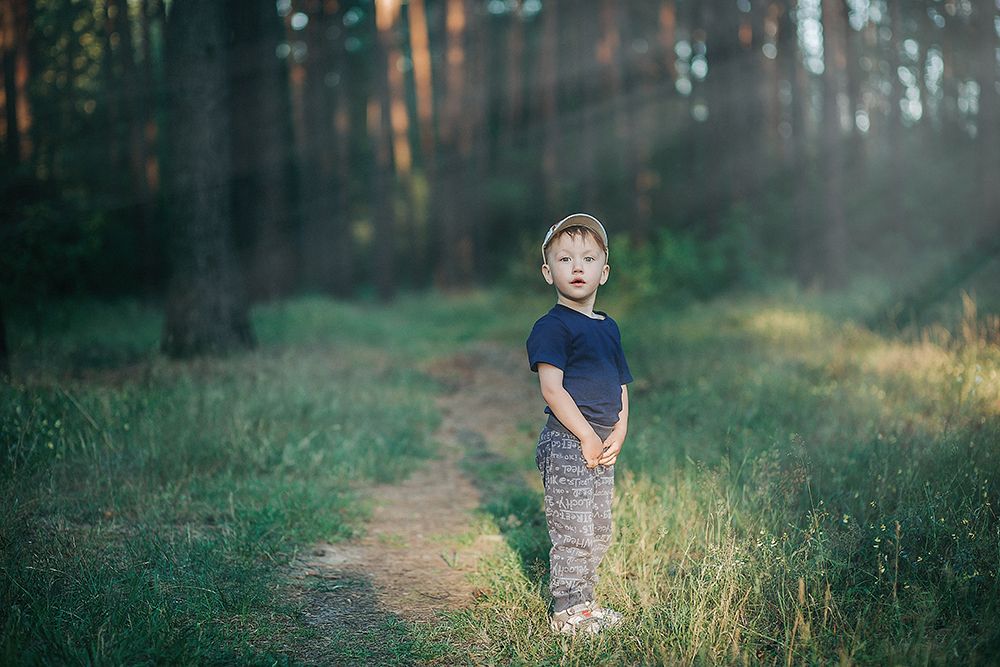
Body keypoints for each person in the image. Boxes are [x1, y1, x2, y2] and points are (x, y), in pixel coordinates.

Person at [526, 213, 633, 636]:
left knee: (598, 529)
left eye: (588, 258)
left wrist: (619, 429)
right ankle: (568, 611)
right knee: (572, 529)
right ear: (547, 271)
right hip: (569, 443)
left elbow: (620, 384)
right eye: (565, 258)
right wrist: (586, 434)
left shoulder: (608, 328)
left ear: (603, 272)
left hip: (601, 444)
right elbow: (552, 389)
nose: (577, 267)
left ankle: (586, 602)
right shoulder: (552, 327)